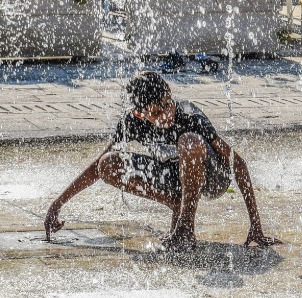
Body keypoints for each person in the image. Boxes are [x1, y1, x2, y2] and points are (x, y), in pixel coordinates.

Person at [45, 71, 279, 251]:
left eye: (167, 104)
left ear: (169, 90)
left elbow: (237, 164)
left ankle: (185, 228)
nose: (166, 115)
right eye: (156, 113)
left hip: (213, 178)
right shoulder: (132, 122)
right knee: (108, 163)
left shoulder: (189, 117)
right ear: (139, 114)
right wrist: (58, 204)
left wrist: (256, 226)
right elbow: (96, 168)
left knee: (189, 142)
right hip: (175, 177)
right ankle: (175, 203)